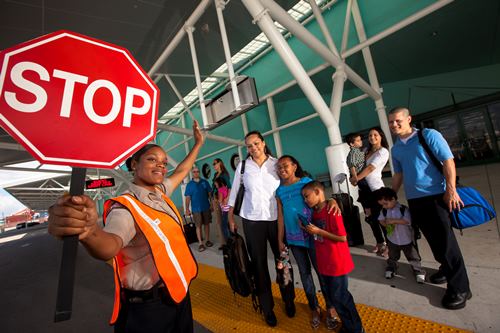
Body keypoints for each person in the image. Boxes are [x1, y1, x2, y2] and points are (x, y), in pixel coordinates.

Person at [47, 122, 204, 333]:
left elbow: (183, 169)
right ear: (134, 165)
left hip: (179, 298)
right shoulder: (125, 207)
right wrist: (88, 231)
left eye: (164, 162)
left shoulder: (160, 192)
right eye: (152, 160)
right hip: (150, 311)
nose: (161, 166)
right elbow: (110, 245)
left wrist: (198, 143)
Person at [388, 106, 471, 310]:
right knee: (432, 240)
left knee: (446, 242)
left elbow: (448, 161)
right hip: (415, 200)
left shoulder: (428, 135)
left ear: (409, 119)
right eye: (391, 122)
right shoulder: (396, 148)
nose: (394, 124)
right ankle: (445, 268)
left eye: (398, 120)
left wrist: (451, 189)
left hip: (437, 196)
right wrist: (390, 194)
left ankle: (461, 288)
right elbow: (398, 175)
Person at [227, 130, 294, 327]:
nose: (253, 148)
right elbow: (233, 194)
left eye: (256, 143)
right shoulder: (243, 167)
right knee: (259, 266)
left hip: (276, 220)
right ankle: (267, 308)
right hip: (252, 221)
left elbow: (291, 183)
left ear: (263, 143)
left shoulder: (276, 164)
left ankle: (288, 299)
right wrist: (230, 217)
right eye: (249, 146)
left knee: (283, 260)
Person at [275, 155, 340, 329]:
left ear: (295, 166)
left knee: (321, 273)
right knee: (305, 274)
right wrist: (280, 239)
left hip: (313, 236)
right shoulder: (279, 191)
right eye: (279, 167)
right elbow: (280, 216)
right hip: (294, 239)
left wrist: (333, 200)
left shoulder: (305, 181)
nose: (282, 170)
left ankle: (331, 307)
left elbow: (320, 198)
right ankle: (314, 307)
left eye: (285, 166)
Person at [301, 181, 364, 333]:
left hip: (337, 262)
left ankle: (356, 328)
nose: (305, 200)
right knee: (335, 298)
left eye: (307, 196)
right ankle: (348, 325)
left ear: (317, 192)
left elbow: (342, 237)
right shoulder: (315, 212)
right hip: (325, 262)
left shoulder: (332, 211)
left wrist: (319, 232)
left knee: (342, 296)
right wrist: (310, 230)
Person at [350, 127, 390, 256]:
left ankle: (390, 245)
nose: (372, 137)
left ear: (381, 136)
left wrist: (356, 178)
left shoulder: (383, 152)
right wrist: (353, 175)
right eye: (370, 135)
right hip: (364, 191)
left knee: (382, 218)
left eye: (375, 135)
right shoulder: (366, 150)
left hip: (376, 190)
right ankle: (380, 242)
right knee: (371, 219)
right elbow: (357, 164)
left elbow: (370, 168)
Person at [375, 187, 426, 283]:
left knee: (413, 256)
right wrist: (385, 223)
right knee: (392, 256)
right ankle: (392, 267)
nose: (384, 206)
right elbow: (380, 220)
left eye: (386, 204)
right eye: (382, 205)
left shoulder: (403, 209)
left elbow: (408, 221)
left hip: (407, 240)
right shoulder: (384, 211)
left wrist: (394, 221)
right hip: (393, 239)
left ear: (393, 199)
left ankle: (418, 270)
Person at [185, 166, 213, 252]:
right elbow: (188, 197)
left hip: (206, 207)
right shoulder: (189, 185)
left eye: (197, 171)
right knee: (198, 226)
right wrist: (187, 209)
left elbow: (209, 194)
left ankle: (207, 240)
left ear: (199, 172)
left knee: (207, 224)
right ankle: (201, 243)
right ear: (192, 174)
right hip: (196, 209)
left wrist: (211, 204)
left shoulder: (205, 182)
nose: (196, 173)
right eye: (194, 172)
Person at [211, 158, 232, 250]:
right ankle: (223, 243)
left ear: (220, 163)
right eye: (213, 164)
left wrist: (227, 198)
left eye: (215, 163)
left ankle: (230, 240)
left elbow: (230, 187)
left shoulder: (224, 174)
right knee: (219, 222)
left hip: (223, 200)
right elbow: (214, 187)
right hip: (215, 200)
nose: (214, 165)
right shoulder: (216, 175)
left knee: (226, 221)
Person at [214, 176, 231, 243]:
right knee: (228, 224)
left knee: (224, 226)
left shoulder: (220, 190)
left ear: (219, 183)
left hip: (225, 211)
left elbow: (220, 200)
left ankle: (228, 240)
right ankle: (231, 237)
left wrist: (216, 200)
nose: (216, 185)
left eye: (216, 184)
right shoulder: (226, 188)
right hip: (229, 209)